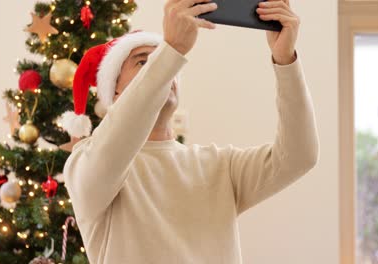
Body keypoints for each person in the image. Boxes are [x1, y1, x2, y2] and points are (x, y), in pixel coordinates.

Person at [62, 0, 319, 263]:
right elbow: (113, 146)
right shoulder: (86, 163)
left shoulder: (219, 166)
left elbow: (299, 157)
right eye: (144, 63)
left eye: (163, 63)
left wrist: (285, 60)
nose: (163, 71)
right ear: (114, 91)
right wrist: (171, 49)